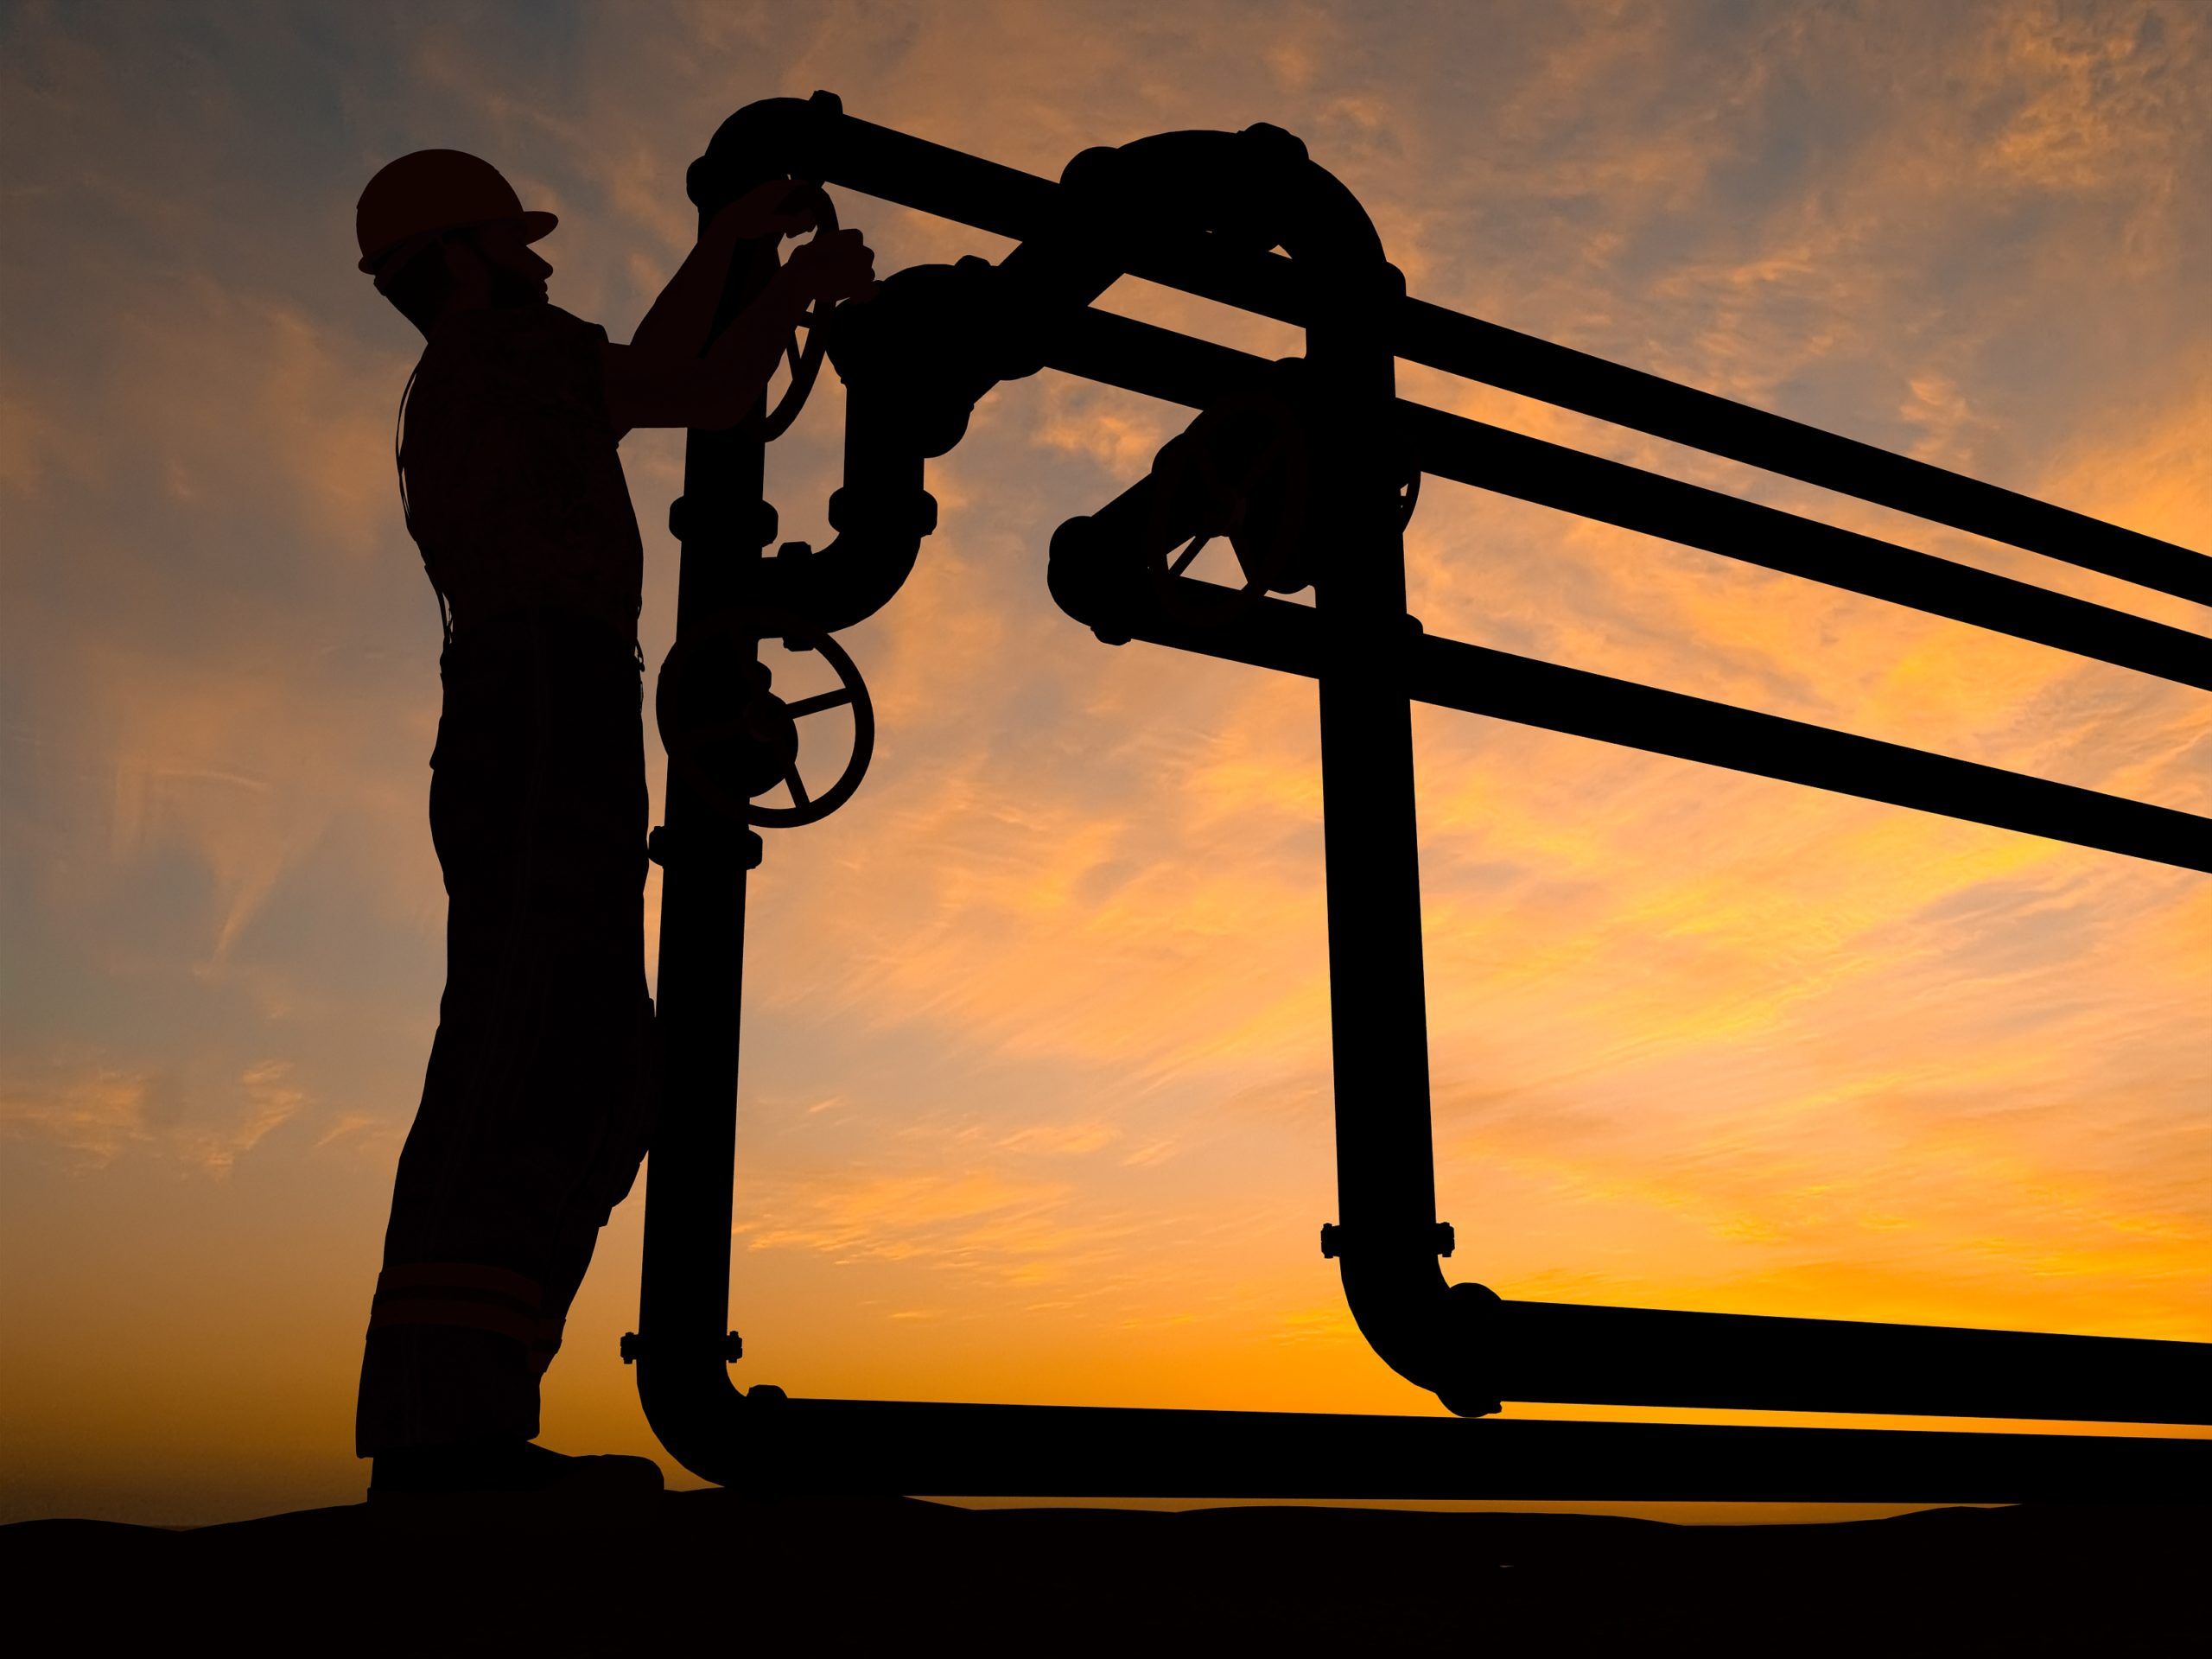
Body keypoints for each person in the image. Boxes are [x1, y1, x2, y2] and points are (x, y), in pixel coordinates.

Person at [352, 149, 874, 1498]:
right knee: (541, 1042)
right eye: (510, 243)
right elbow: (701, 388)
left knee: (587, 1054)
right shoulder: (503, 351)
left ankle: (467, 1419)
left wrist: (735, 239)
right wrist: (801, 281)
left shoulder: (496, 369)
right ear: (460, 263)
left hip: (545, 701)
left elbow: (642, 364)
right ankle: (443, 1442)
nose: (536, 259)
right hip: (544, 702)